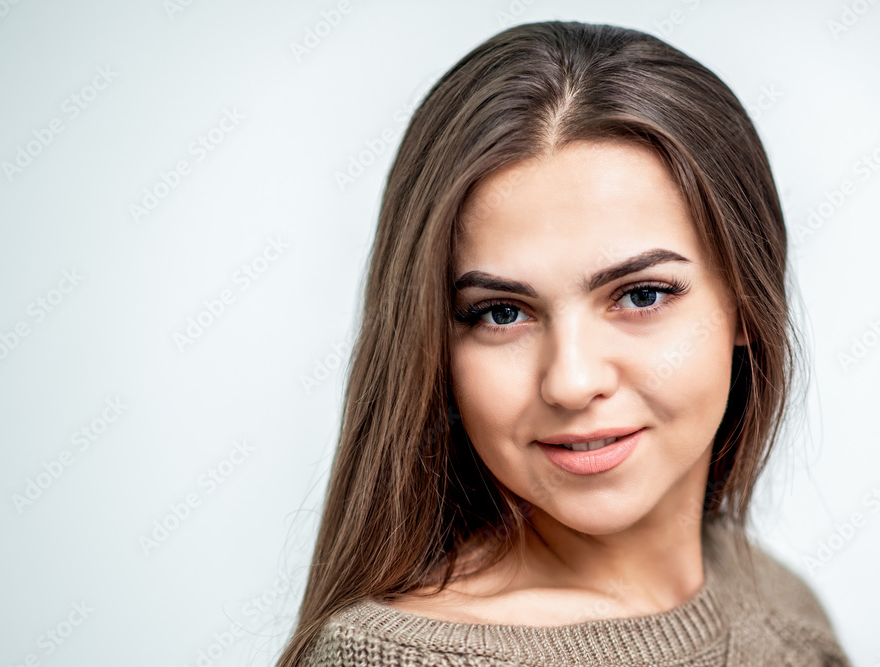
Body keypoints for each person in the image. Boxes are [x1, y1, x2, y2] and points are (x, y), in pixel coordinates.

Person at [277, 20, 851, 666]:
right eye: (500, 312)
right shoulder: (386, 657)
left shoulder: (787, 614)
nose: (571, 381)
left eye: (640, 295)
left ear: (748, 300)